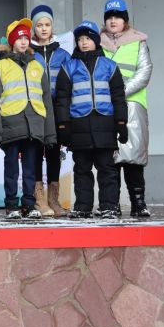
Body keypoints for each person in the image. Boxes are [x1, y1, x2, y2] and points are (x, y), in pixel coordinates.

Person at [55, 21, 127, 219]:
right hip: (79, 127)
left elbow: (119, 97)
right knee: (82, 170)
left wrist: (121, 123)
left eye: (88, 38)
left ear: (96, 40)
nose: (84, 42)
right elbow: (62, 100)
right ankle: (83, 207)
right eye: (80, 39)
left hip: (105, 125)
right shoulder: (68, 67)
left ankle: (109, 206)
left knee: (107, 169)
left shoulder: (110, 66)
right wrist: (63, 125)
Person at [0, 18, 56, 220]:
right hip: (11, 124)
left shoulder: (37, 67)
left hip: (34, 124)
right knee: (11, 168)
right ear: (11, 42)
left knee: (31, 168)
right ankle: (11, 205)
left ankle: (29, 204)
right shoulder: (0, 67)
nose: (23, 42)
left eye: (26, 37)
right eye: (19, 38)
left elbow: (46, 101)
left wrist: (49, 133)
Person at [100, 0, 153, 217]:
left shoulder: (138, 42)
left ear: (125, 20)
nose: (113, 21)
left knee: (133, 158)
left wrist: (120, 92)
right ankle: (112, 205)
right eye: (109, 17)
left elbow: (145, 70)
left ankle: (138, 203)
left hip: (132, 106)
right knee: (109, 158)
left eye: (118, 17)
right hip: (105, 107)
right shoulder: (98, 42)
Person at [30, 5, 71, 217]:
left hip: (55, 110)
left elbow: (68, 84)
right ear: (33, 28)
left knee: (54, 153)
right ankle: (39, 199)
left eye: (47, 24)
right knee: (36, 152)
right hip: (35, 109)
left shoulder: (63, 54)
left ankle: (53, 199)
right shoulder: (28, 52)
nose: (44, 29)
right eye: (39, 25)